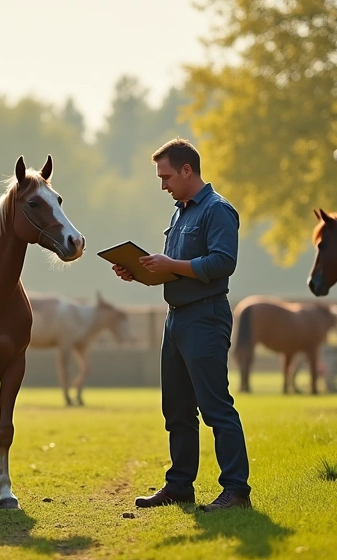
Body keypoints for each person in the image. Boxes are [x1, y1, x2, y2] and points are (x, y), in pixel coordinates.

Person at [112, 138, 252, 513]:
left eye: (167, 176)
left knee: (215, 407)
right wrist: (140, 271)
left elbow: (223, 263)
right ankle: (179, 486)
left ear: (188, 170)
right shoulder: (180, 213)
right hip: (177, 319)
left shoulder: (217, 210)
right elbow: (175, 268)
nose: (163, 185)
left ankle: (237, 490)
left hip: (206, 317)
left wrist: (170, 265)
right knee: (176, 409)